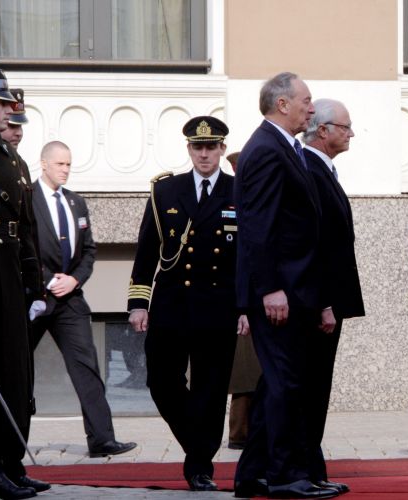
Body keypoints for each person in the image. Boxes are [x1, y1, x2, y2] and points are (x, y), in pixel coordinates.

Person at [232, 72, 340, 499]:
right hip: (280, 293)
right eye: (306, 100)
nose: (311, 108)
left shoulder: (284, 147)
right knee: (285, 385)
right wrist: (270, 288)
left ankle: (252, 474)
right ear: (282, 104)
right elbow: (258, 226)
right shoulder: (265, 149)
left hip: (298, 291)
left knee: (278, 383)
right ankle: (284, 475)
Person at [128, 116, 246, 492]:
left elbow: (248, 255)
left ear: (222, 149)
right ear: (189, 150)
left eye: (211, 147)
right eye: (198, 147)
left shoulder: (238, 190)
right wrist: (138, 303)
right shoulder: (166, 190)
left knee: (210, 390)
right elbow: (148, 249)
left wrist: (245, 307)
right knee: (161, 381)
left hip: (219, 305)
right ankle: (197, 442)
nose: (204, 154)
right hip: (172, 303)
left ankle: (199, 467)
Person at [31, 141, 136, 460]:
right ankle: (7, 444)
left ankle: (102, 439)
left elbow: (89, 251)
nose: (65, 170)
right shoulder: (26, 199)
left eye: (68, 164)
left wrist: (74, 279)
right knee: (16, 370)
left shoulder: (75, 202)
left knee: (87, 367)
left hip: (71, 301)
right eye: (59, 164)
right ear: (44, 164)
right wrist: (48, 279)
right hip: (34, 298)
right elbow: (22, 248)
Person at [0, 68, 44, 500]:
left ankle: (9, 461)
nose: (10, 110)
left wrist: (33, 286)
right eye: (2, 103)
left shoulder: (10, 158)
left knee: (13, 371)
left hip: (8, 270)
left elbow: (25, 228)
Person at [303, 99, 365, 490]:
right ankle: (306, 469)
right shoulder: (310, 171)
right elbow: (314, 243)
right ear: (323, 130)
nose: (351, 133)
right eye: (345, 127)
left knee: (313, 387)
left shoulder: (321, 169)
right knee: (311, 387)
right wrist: (323, 302)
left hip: (324, 301)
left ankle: (308, 466)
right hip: (316, 305)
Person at [224, 151, 262, 451]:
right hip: (239, 301)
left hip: (258, 298)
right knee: (245, 375)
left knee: (254, 372)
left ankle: (252, 432)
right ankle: (240, 433)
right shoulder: (230, 202)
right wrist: (242, 307)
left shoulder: (257, 200)